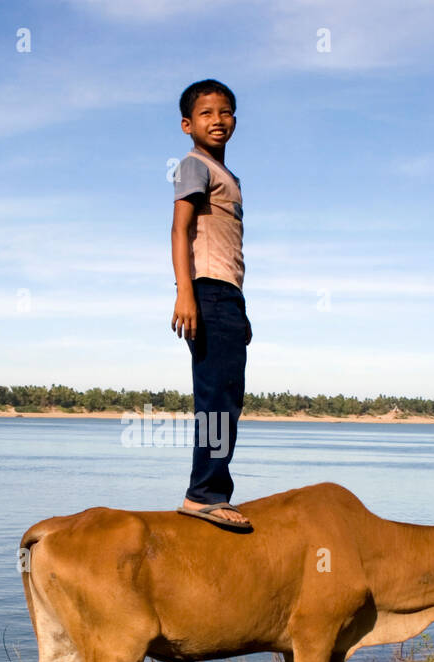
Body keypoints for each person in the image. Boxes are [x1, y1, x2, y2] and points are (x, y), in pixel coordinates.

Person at [170, 78, 253, 531]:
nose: (217, 120)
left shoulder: (228, 176)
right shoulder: (193, 165)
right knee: (215, 398)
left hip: (227, 296)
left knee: (228, 398)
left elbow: (226, 249)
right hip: (205, 290)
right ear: (187, 124)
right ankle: (204, 494)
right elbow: (179, 229)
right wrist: (186, 292)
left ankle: (212, 488)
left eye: (225, 112)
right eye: (205, 113)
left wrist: (240, 311)